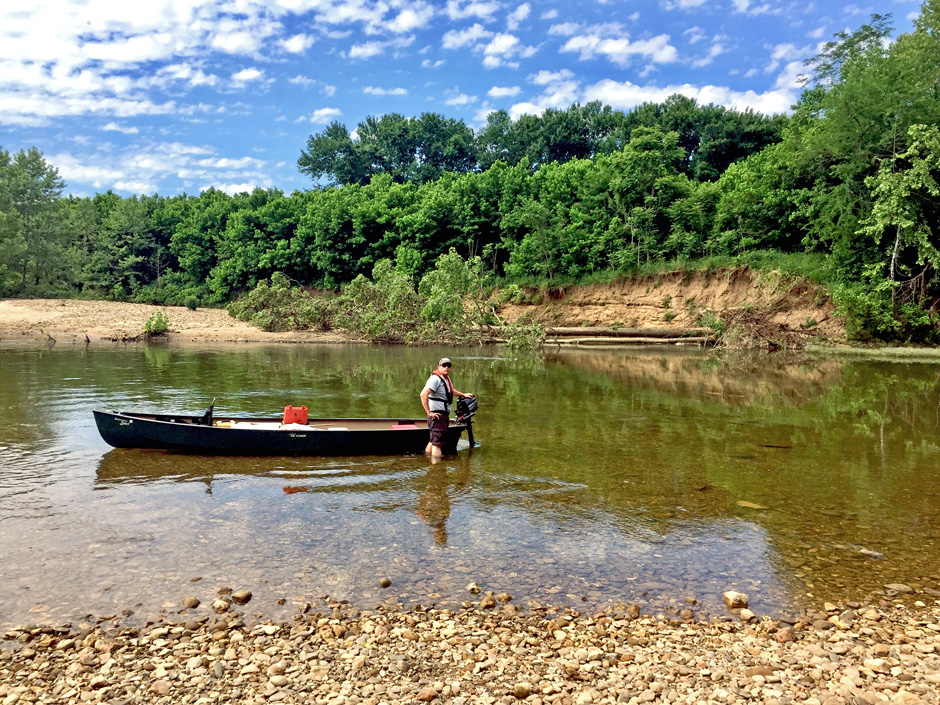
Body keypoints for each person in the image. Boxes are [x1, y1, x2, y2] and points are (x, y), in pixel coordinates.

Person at [420, 357, 473, 457]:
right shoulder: (435, 379)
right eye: (444, 365)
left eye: (449, 366)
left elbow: (451, 391)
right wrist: (429, 412)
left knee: (433, 440)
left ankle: (426, 459)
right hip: (437, 415)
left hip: (442, 415)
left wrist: (463, 395)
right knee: (437, 443)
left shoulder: (446, 379)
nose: (446, 368)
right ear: (439, 367)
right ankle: (437, 467)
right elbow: (423, 394)